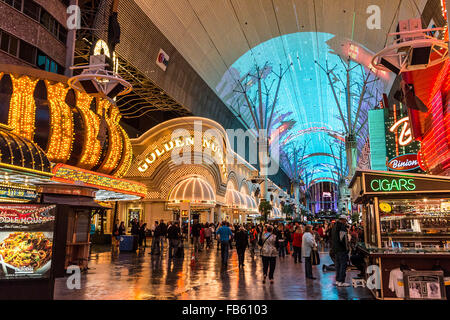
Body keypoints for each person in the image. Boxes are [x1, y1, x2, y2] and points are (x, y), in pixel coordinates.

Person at [332, 215, 350, 287]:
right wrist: (347, 247)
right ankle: (341, 281)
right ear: (343, 220)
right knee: (343, 265)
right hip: (341, 249)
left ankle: (337, 280)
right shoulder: (342, 227)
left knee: (338, 265)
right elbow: (343, 239)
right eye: (345, 221)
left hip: (336, 249)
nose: (346, 222)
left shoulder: (334, 226)